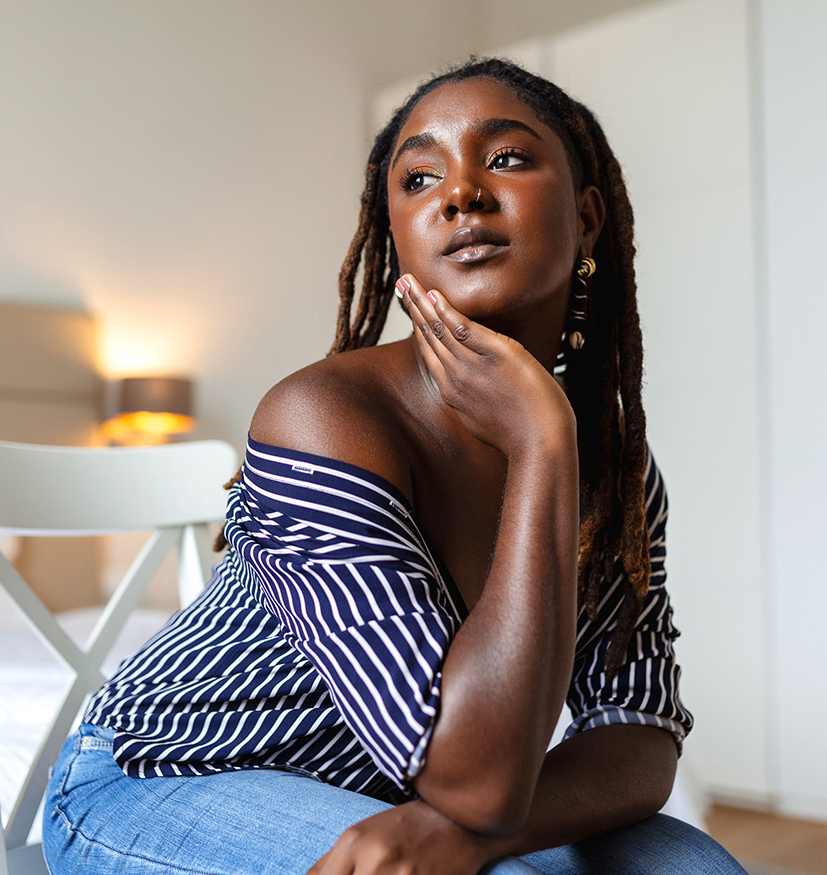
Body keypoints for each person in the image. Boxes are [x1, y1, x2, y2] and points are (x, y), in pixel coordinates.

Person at [42, 57, 746, 874]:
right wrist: (542, 446)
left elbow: (638, 734)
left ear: (588, 217)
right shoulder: (325, 419)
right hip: (164, 777)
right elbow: (475, 780)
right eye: (418, 177)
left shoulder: (613, 465)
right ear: (398, 238)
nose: (460, 193)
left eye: (508, 158)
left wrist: (546, 439)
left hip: (402, 791)